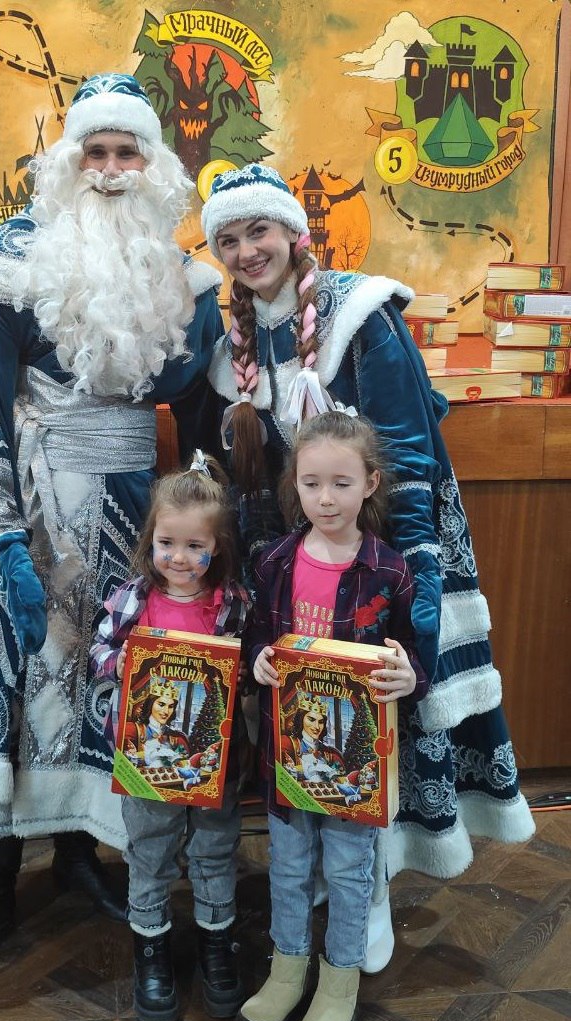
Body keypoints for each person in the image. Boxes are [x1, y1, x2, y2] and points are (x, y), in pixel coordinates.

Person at [0, 73, 224, 987]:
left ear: (153, 167)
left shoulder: (182, 280)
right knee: (15, 684)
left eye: (127, 153)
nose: (111, 170)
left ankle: (81, 849)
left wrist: (208, 518)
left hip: (138, 528)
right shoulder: (2, 269)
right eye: (96, 152)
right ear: (68, 161)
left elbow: (204, 415)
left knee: (106, 689)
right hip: (27, 518)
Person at [199, 162, 535, 973]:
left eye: (258, 231)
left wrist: (418, 589)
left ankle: (370, 892)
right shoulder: (234, 347)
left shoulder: (360, 313)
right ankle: (323, 889)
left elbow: (408, 456)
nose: (246, 251)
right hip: (298, 579)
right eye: (229, 240)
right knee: (317, 731)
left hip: (376, 570)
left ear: (292, 232)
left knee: (380, 723)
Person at [240, 408, 428, 1021]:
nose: (325, 498)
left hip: (354, 766)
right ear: (293, 483)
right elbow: (255, 639)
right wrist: (258, 662)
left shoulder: (388, 570)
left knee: (349, 871)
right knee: (289, 867)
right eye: (312, 482)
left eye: (341, 483)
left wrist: (408, 676)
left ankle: (338, 980)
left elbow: (413, 657)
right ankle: (287, 969)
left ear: (370, 483)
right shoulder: (274, 563)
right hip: (286, 755)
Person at [90, 451, 251, 1021]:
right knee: (150, 850)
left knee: (214, 849)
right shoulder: (133, 599)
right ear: (151, 540)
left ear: (217, 548)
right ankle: (151, 950)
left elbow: (252, 667)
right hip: (145, 757)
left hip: (215, 758)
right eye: (167, 543)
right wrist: (121, 662)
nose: (179, 558)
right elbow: (99, 650)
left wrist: (243, 675)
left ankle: (216, 943)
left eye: (194, 546)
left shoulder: (233, 606)